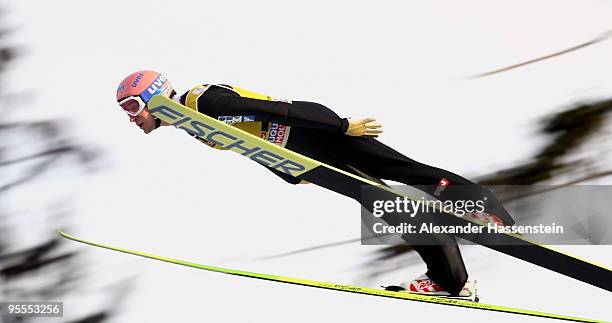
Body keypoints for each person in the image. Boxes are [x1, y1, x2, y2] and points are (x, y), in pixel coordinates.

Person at [116, 70, 513, 297]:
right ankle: (451, 281)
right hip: (308, 154)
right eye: (125, 111)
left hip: (320, 133)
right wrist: (288, 172)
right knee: (390, 206)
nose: (132, 117)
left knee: (406, 172)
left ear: (154, 96)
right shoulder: (194, 127)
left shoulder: (200, 102)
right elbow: (249, 146)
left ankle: (487, 209)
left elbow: (271, 109)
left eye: (133, 106)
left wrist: (341, 126)